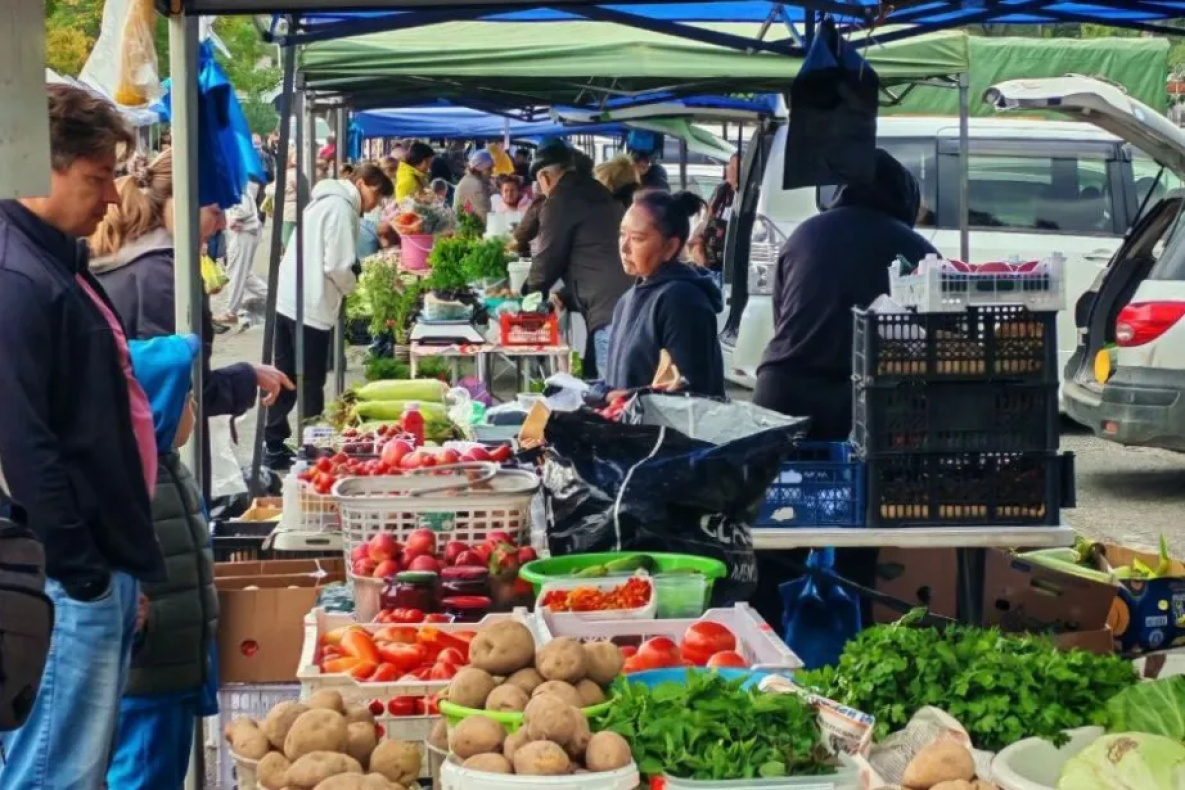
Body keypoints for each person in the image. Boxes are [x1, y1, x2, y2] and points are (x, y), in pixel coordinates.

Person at [0, 83, 162, 790]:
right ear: (43, 168)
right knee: (54, 772)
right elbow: (22, 443)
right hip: (66, 577)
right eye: (97, 179)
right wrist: (82, 570)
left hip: (91, 565)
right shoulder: (16, 278)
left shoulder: (54, 259)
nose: (112, 197)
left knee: (71, 767)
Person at [89, 147, 292, 499]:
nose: (223, 223)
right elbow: (182, 388)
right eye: (214, 210)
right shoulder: (165, 276)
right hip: (146, 465)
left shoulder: (131, 259)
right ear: (177, 200)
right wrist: (245, 377)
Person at [754, 148, 937, 440]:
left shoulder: (804, 234)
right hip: (860, 404)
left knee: (784, 471)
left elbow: (782, 316)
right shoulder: (917, 249)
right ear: (905, 198)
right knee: (849, 470)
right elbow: (934, 342)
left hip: (780, 389)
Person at [107, 334, 218, 790]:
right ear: (156, 408)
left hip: (171, 665)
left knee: (160, 771)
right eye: (186, 397)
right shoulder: (129, 481)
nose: (194, 406)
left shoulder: (167, 466)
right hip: (146, 672)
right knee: (141, 773)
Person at [267, 164, 394, 469]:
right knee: (311, 381)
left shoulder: (323, 200)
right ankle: (313, 448)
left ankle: (273, 444)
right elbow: (338, 265)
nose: (374, 206)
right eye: (376, 197)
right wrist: (352, 283)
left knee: (284, 375)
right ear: (362, 184)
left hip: (288, 298)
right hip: (309, 303)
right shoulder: (340, 208)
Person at [525, 141, 633, 376]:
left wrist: (527, 296)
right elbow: (594, 257)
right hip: (627, 302)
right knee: (608, 384)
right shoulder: (596, 190)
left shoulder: (561, 199)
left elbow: (547, 259)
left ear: (544, 177)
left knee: (612, 390)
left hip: (608, 312)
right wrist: (563, 295)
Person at [602, 190, 724, 397]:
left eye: (637, 238)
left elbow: (690, 393)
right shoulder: (627, 300)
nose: (624, 247)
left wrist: (617, 397)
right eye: (622, 234)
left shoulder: (682, 300)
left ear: (670, 247)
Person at [217, 175, 269, 326]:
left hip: (243, 234)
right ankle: (274, 296)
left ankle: (231, 311)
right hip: (246, 232)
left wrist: (233, 219)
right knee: (244, 274)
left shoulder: (234, 185)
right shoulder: (238, 184)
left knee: (236, 272)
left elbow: (242, 209)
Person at [689, 152, 740, 281]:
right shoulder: (721, 192)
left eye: (736, 168)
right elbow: (704, 222)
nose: (731, 171)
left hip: (731, 270)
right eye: (730, 166)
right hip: (709, 266)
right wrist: (697, 247)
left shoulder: (748, 197)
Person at [265, 145, 310, 248]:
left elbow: (272, 191)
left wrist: (267, 187)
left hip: (288, 212)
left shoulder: (286, 176)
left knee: (288, 242)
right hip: (301, 210)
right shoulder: (301, 175)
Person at [454, 149, 495, 220]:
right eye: (489, 169)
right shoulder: (477, 186)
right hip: (471, 225)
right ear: (480, 169)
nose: (492, 172)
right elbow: (485, 217)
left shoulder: (470, 180)